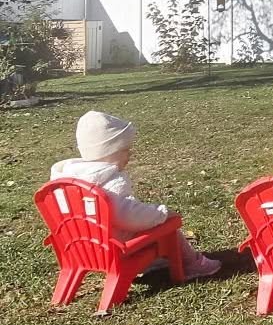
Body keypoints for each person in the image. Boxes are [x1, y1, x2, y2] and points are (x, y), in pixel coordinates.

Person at [51, 110, 220, 278]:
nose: (130, 154)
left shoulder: (67, 178)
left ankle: (152, 262)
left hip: (82, 245)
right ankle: (193, 263)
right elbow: (128, 216)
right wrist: (161, 213)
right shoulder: (109, 182)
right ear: (109, 151)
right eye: (125, 149)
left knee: (155, 223)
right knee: (169, 226)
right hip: (115, 245)